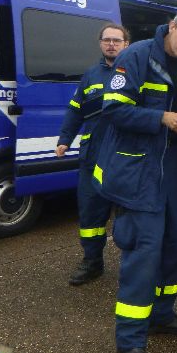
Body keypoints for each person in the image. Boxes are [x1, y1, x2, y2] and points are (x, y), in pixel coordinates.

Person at [92, 6, 177, 353]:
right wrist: (158, 117)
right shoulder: (136, 56)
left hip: (174, 170)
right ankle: (129, 345)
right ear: (172, 26)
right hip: (139, 172)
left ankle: (161, 315)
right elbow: (113, 110)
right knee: (143, 255)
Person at [56, 23, 130, 286]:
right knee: (90, 214)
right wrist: (65, 139)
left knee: (128, 216)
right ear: (101, 43)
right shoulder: (90, 75)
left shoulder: (135, 73)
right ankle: (92, 262)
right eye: (107, 40)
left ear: (126, 45)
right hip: (93, 156)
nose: (112, 44)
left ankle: (132, 267)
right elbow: (75, 110)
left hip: (123, 159)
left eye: (117, 41)